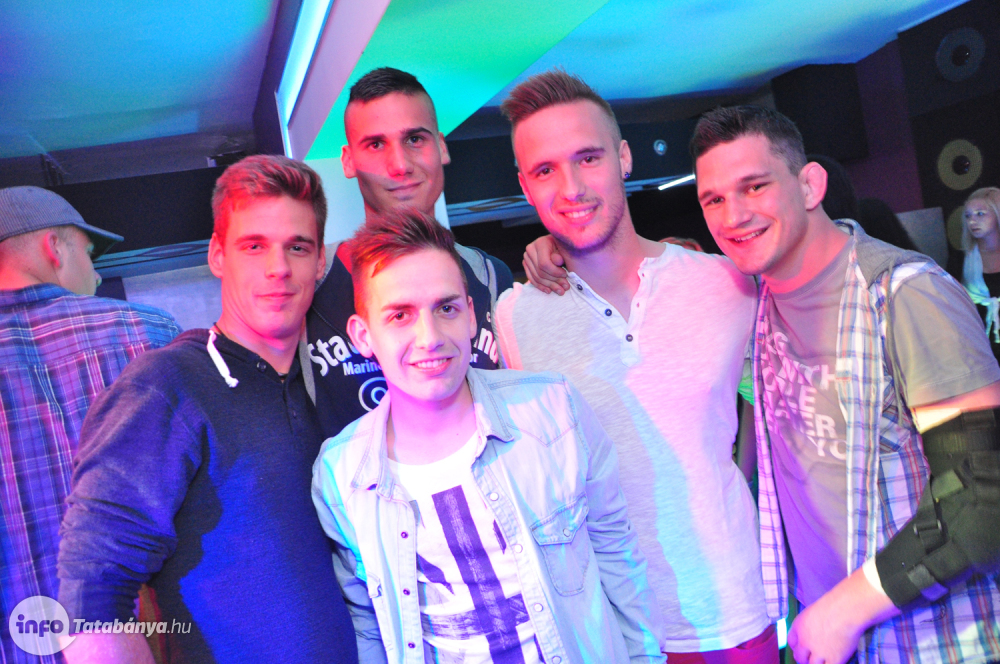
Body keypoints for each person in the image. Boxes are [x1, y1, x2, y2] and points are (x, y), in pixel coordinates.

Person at [691, 105, 1000, 664]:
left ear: (810, 185)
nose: (733, 215)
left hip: (931, 637)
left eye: (755, 186)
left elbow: (984, 499)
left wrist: (846, 609)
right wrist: (558, 254)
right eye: (713, 199)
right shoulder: (754, 298)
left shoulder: (906, 293)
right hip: (830, 633)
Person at [494, 70, 775, 662]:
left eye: (588, 158)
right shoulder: (516, 316)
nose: (572, 187)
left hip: (732, 616)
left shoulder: (726, 285)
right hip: (607, 634)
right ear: (524, 186)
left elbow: (778, 413)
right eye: (545, 170)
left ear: (623, 158)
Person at [312, 209, 665, 663]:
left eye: (446, 308)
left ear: (471, 315)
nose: (429, 337)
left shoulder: (554, 409)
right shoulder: (341, 476)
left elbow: (618, 558)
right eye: (400, 315)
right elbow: (368, 625)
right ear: (363, 335)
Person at [57, 156, 357, 664]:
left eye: (297, 247)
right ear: (218, 255)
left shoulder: (330, 380)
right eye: (254, 245)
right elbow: (91, 596)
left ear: (320, 261)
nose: (279, 268)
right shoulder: (167, 385)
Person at [0, 186, 180, 664]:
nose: (96, 273)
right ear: (53, 248)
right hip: (144, 643)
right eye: (89, 253)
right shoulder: (149, 334)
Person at [306, 67, 512, 438]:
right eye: (375, 145)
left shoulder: (490, 276)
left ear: (442, 146)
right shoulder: (309, 284)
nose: (400, 165)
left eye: (415, 139)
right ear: (348, 161)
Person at [961, 187, 1000, 362]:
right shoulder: (961, 259)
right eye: (968, 216)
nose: (972, 221)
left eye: (980, 214)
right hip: (980, 345)